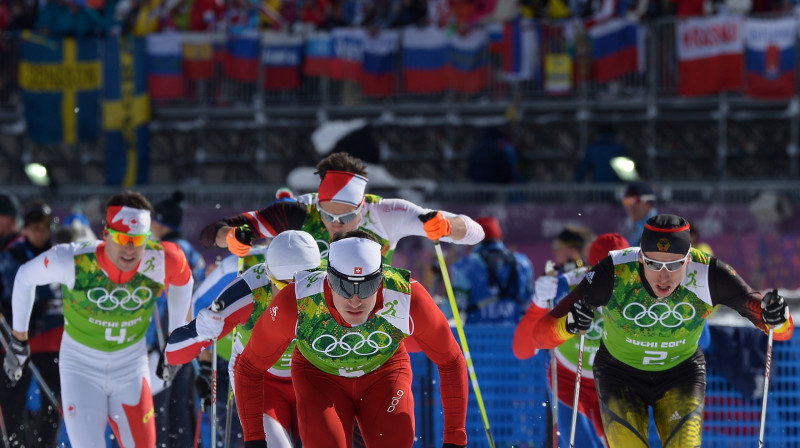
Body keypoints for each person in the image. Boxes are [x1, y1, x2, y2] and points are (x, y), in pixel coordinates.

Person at [526, 214, 793, 448]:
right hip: (619, 375)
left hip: (680, 373)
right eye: (653, 264)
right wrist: (568, 325)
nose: (663, 277)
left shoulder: (710, 274)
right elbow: (539, 334)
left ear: (689, 259)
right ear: (640, 257)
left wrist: (777, 318)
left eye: (674, 265)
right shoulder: (615, 271)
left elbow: (779, 331)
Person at [232, 230, 469, 448]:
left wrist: (455, 438)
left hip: (384, 374)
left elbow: (451, 360)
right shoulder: (298, 301)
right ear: (328, 278)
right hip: (320, 378)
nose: (355, 301)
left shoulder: (406, 296)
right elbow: (248, 367)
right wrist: (255, 439)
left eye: (367, 287)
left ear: (381, 280)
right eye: (343, 286)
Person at [3, 191, 194, 447]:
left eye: (138, 240)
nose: (130, 249)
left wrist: (175, 337)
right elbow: (25, 277)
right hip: (81, 369)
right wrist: (19, 339)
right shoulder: (74, 259)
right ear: (105, 234)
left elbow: (184, 283)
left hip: (130, 370)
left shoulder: (162, 259)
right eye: (121, 238)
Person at [166, 230, 322, 448]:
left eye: (305, 284)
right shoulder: (249, 293)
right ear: (269, 276)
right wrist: (202, 331)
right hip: (263, 383)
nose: (293, 296)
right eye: (284, 284)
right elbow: (173, 353)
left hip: (314, 379)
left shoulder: (330, 285)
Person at [200, 151, 484, 263]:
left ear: (362, 207)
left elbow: (476, 232)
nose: (336, 224)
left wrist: (446, 226)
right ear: (317, 204)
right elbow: (211, 231)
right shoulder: (297, 212)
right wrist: (229, 237)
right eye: (327, 214)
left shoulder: (385, 214)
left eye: (347, 216)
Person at [514, 233, 631, 448]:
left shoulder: (641, 289)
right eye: (602, 273)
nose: (611, 283)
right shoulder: (568, 285)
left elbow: (703, 340)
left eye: (619, 275)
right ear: (590, 269)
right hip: (569, 378)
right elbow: (523, 349)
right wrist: (539, 302)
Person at [0, 200, 62, 447]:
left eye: (44, 228)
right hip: (19, 341)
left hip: (52, 342)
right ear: (25, 228)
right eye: (35, 228)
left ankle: (44, 444)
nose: (40, 234)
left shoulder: (60, 255)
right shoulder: (12, 256)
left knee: (53, 402)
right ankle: (13, 442)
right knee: (12, 398)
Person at [149, 190, 208, 448]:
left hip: (164, 344)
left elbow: (159, 300)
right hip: (189, 342)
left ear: (160, 221)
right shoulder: (192, 253)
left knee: (156, 410)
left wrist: (153, 343)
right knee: (180, 409)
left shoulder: (164, 252)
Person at [450, 216, 534, 325]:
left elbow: (456, 307)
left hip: (475, 338)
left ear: (474, 239)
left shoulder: (465, 266)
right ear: (499, 238)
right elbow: (528, 305)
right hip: (513, 338)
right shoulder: (524, 264)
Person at [621, 181, 657, 246]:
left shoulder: (660, 235)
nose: (631, 206)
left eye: (637, 200)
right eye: (627, 201)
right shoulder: (633, 237)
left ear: (649, 203)